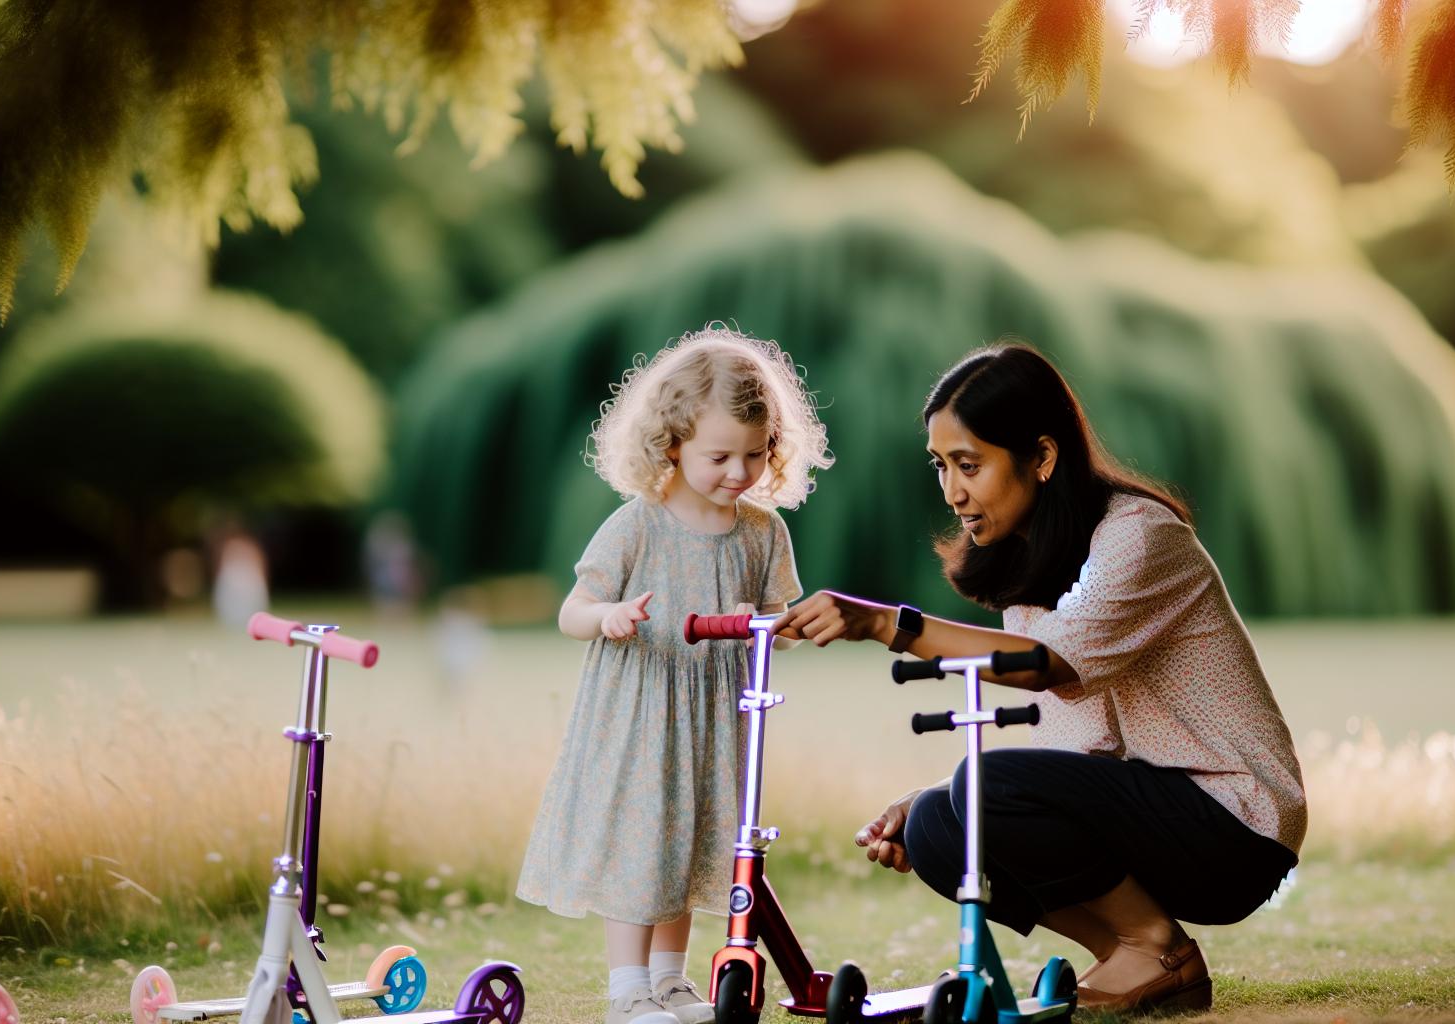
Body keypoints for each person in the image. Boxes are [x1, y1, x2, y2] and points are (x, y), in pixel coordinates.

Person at [769, 342, 1304, 1014]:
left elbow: (1042, 664)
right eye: (941, 466)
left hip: (1235, 827)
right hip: (1148, 810)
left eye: (970, 465)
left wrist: (886, 626)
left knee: (975, 788)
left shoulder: (1141, 537)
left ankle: (1153, 943)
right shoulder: (1033, 571)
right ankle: (1136, 956)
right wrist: (943, 796)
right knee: (938, 826)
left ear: (1043, 458)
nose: (952, 491)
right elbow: (1070, 747)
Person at [518, 326, 834, 1024]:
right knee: (644, 842)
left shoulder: (763, 533)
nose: (738, 472)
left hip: (717, 713)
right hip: (641, 710)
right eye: (718, 455)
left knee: (694, 837)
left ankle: (670, 980)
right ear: (672, 444)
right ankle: (626, 988)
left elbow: (778, 624)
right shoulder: (639, 525)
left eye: (755, 455)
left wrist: (768, 623)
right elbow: (573, 608)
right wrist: (609, 618)